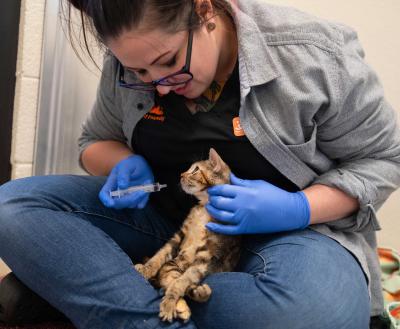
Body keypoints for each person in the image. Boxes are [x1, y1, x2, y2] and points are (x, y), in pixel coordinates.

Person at [0, 0, 399, 328]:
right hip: (169, 226)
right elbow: (94, 143)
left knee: (314, 313)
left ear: (204, 10)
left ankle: (102, 299)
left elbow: (383, 159)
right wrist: (125, 161)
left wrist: (298, 207)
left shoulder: (312, 56)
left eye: (168, 61)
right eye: (140, 71)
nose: (157, 85)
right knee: (12, 206)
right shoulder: (128, 61)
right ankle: (151, 312)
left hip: (293, 238)